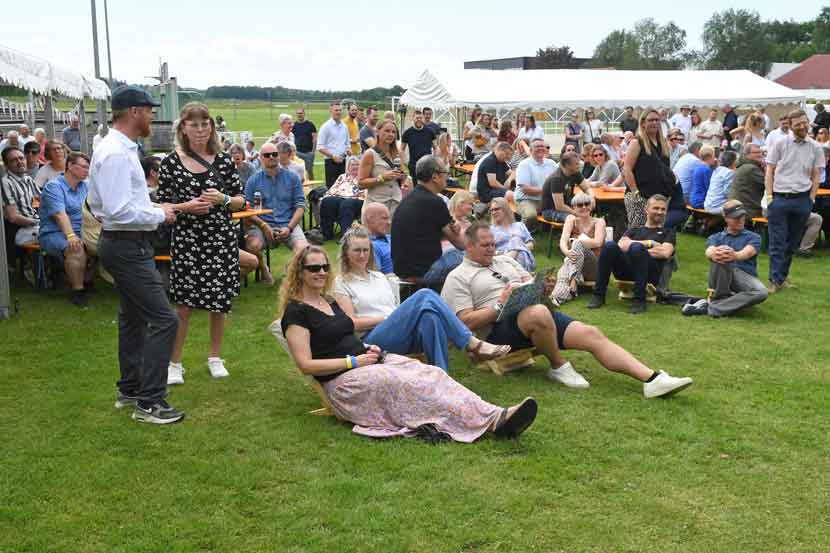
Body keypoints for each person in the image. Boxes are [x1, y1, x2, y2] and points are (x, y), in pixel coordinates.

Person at [278, 245, 537, 442]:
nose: (321, 273)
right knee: (408, 383)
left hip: (369, 359)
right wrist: (353, 360)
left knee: (432, 374)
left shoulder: (328, 301)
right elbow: (305, 364)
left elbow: (344, 334)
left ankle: (496, 414)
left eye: (324, 267)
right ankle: (487, 415)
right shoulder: (297, 313)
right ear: (299, 273)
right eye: (314, 269)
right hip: (345, 382)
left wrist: (366, 349)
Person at [443, 223, 693, 396]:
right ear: (469, 247)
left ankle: (652, 379)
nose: (491, 249)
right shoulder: (459, 276)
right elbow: (463, 324)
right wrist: (499, 304)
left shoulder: (505, 260)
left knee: (591, 333)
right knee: (538, 314)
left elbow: (531, 283)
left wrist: (545, 288)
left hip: (534, 315)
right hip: (498, 334)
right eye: (485, 245)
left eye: (493, 244)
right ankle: (558, 366)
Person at [87, 86, 183, 423]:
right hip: (126, 245)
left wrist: (155, 207)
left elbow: (104, 205)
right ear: (134, 113)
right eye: (149, 110)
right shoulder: (115, 152)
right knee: (164, 319)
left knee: (132, 319)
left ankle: (130, 389)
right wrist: (159, 214)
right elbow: (116, 209)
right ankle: (150, 402)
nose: (152, 116)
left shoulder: (117, 148)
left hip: (126, 242)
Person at [334, 225, 509, 371]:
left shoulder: (380, 277)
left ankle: (442, 376)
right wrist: (389, 318)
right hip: (370, 341)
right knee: (424, 295)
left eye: (366, 250)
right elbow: (352, 323)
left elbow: (395, 307)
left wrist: (398, 317)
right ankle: (471, 343)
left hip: (398, 332)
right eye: (357, 250)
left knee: (429, 317)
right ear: (346, 253)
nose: (363, 255)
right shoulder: (341, 282)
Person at [157, 103, 247, 383]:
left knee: (218, 302)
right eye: (194, 124)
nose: (200, 129)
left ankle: (215, 357)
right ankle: (174, 363)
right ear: (183, 127)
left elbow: (241, 200)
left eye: (205, 123)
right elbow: (162, 204)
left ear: (211, 127)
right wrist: (186, 206)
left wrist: (223, 200)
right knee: (183, 305)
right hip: (187, 240)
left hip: (220, 238)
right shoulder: (171, 162)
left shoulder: (223, 161)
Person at [765, 110, 824, 293]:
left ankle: (782, 278)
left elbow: (816, 175)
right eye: (797, 124)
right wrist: (769, 197)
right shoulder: (780, 143)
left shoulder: (815, 147)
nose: (802, 126)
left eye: (804, 122)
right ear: (790, 126)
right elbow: (769, 170)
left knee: (791, 244)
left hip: (802, 201)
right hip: (780, 199)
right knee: (777, 242)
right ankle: (775, 281)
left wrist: (811, 199)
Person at [587, 195, 675, 314]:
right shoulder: (635, 230)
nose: (660, 212)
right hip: (626, 271)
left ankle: (639, 301)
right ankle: (598, 296)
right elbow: (621, 245)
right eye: (656, 208)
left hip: (650, 273)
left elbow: (665, 253)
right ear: (646, 209)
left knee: (637, 249)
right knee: (609, 246)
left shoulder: (668, 232)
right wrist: (650, 243)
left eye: (663, 209)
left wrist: (638, 251)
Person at [683, 200, 768, 317]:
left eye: (742, 216)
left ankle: (711, 307)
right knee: (719, 255)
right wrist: (714, 253)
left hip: (744, 275)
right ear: (726, 218)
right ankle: (721, 303)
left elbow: (747, 252)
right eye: (736, 217)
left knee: (761, 292)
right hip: (722, 273)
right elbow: (709, 250)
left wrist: (735, 255)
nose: (740, 219)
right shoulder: (716, 238)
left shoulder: (754, 237)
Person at [391, 155, 465, 286]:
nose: (448, 176)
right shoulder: (434, 202)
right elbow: (460, 244)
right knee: (468, 256)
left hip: (403, 271)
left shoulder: (409, 199)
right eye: (445, 173)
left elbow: (424, 233)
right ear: (435, 177)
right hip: (425, 273)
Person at [243, 141, 307, 285]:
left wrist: (289, 228)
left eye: (274, 154)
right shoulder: (253, 181)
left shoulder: (292, 178)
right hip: (262, 224)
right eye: (267, 155)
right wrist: (263, 225)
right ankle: (264, 269)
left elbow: (301, 206)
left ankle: (289, 270)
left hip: (287, 223)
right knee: (252, 245)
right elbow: (247, 210)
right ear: (260, 158)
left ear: (279, 156)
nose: (271, 157)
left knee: (303, 248)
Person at [38, 152, 93, 305]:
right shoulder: (53, 187)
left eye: (88, 168)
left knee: (108, 241)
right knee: (75, 248)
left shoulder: (86, 186)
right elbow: (59, 215)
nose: (86, 171)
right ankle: (78, 291)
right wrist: (70, 235)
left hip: (81, 230)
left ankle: (88, 279)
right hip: (53, 232)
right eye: (83, 167)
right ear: (69, 166)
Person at [550, 192, 606, 306]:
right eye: (580, 205)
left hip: (594, 266)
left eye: (587, 204)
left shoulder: (599, 222)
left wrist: (576, 243)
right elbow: (563, 241)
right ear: (574, 208)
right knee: (562, 273)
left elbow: (598, 242)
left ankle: (574, 280)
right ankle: (556, 298)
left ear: (591, 206)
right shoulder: (571, 219)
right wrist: (567, 252)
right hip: (574, 263)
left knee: (577, 243)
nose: (584, 207)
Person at [623, 109, 675, 228]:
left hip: (660, 197)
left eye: (657, 120)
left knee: (657, 232)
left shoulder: (663, 144)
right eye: (650, 120)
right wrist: (636, 193)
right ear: (643, 123)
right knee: (639, 233)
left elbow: (666, 169)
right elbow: (627, 169)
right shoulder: (636, 142)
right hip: (640, 197)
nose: (654, 123)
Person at [357, 119, 406, 217]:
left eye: (393, 132)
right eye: (387, 131)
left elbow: (402, 179)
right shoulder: (370, 154)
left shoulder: (398, 154)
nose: (391, 134)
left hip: (395, 206)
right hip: (376, 207)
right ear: (377, 132)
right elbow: (360, 183)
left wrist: (402, 177)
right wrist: (381, 178)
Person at [1, 147, 41, 247]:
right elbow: (13, 218)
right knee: (56, 234)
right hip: (18, 230)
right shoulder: (5, 183)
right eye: (14, 160)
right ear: (6, 165)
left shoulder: (28, 179)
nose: (20, 162)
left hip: (35, 225)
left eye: (21, 158)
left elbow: (44, 200)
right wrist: (38, 222)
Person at [319, 156, 365, 240]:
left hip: (358, 199)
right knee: (327, 201)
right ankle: (326, 234)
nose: (355, 167)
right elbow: (333, 189)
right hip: (340, 197)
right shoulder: (342, 176)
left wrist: (350, 197)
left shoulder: (363, 177)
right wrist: (327, 196)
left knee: (346, 203)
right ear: (348, 167)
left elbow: (364, 193)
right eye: (352, 165)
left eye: (357, 164)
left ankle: (346, 236)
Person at [513, 138, 557, 226]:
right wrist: (547, 190)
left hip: (545, 199)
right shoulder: (524, 165)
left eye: (542, 146)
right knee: (530, 215)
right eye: (537, 146)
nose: (540, 148)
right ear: (530, 150)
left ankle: (551, 229)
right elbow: (525, 189)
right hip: (526, 199)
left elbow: (557, 181)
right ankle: (525, 233)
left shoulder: (551, 163)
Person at [541, 151, 588, 223]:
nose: (579, 165)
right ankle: (573, 233)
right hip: (550, 211)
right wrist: (576, 213)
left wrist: (591, 198)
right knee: (573, 219)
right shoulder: (557, 178)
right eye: (576, 164)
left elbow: (587, 188)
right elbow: (559, 206)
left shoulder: (575, 172)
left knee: (584, 210)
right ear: (566, 165)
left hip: (568, 207)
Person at [489, 197, 535, 271]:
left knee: (516, 240)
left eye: (497, 209)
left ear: (505, 209)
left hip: (521, 255)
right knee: (516, 239)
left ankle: (509, 261)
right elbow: (489, 249)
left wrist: (516, 247)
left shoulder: (519, 225)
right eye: (492, 210)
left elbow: (530, 244)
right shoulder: (491, 230)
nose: (494, 212)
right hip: (502, 256)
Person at [728, 143, 766, 219]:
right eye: (756, 152)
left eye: (760, 152)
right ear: (747, 154)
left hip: (736, 207)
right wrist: (766, 168)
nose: (760, 155)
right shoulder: (751, 168)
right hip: (747, 210)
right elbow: (769, 184)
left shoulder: (743, 166)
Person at [317, 102, 350, 187]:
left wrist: (348, 149)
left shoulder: (344, 126)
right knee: (332, 188)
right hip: (331, 162)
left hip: (343, 161)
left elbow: (347, 143)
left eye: (340, 110)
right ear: (331, 111)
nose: (338, 112)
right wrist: (333, 156)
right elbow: (320, 147)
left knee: (343, 187)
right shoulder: (325, 127)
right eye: (336, 110)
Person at [401, 109, 437, 178]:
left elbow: (436, 147)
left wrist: (434, 159)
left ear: (423, 118)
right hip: (413, 165)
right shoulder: (407, 133)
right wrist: (405, 161)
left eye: (420, 118)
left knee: (427, 186)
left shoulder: (430, 131)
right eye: (417, 118)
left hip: (427, 165)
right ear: (413, 118)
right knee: (415, 185)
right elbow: (401, 149)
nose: (419, 120)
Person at [363, 202, 393, 273]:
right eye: (384, 218)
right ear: (370, 219)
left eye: (389, 218)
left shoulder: (391, 237)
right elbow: (375, 277)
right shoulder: (369, 245)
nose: (389, 222)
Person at [293, 107, 317, 180]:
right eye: (298, 113)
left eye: (301, 113)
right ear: (296, 114)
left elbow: (315, 138)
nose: (299, 115)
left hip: (308, 153)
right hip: (297, 152)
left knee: (309, 171)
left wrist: (313, 152)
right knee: (298, 171)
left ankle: (312, 186)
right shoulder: (294, 126)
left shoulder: (310, 124)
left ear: (304, 114)